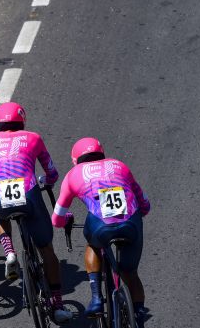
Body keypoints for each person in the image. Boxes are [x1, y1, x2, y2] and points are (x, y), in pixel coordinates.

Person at [0, 102, 73, 323]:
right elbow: (52, 173)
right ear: (22, 120)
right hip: (29, 194)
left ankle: (9, 252)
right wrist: (45, 181)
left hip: (0, 196)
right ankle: (57, 305)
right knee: (46, 249)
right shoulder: (33, 138)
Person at [52, 137, 150, 328]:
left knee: (93, 246)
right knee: (131, 274)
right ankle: (137, 318)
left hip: (100, 226)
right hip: (131, 223)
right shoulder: (119, 165)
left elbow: (56, 220)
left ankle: (97, 298)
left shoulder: (73, 174)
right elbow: (145, 205)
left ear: (76, 159)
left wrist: (67, 220)